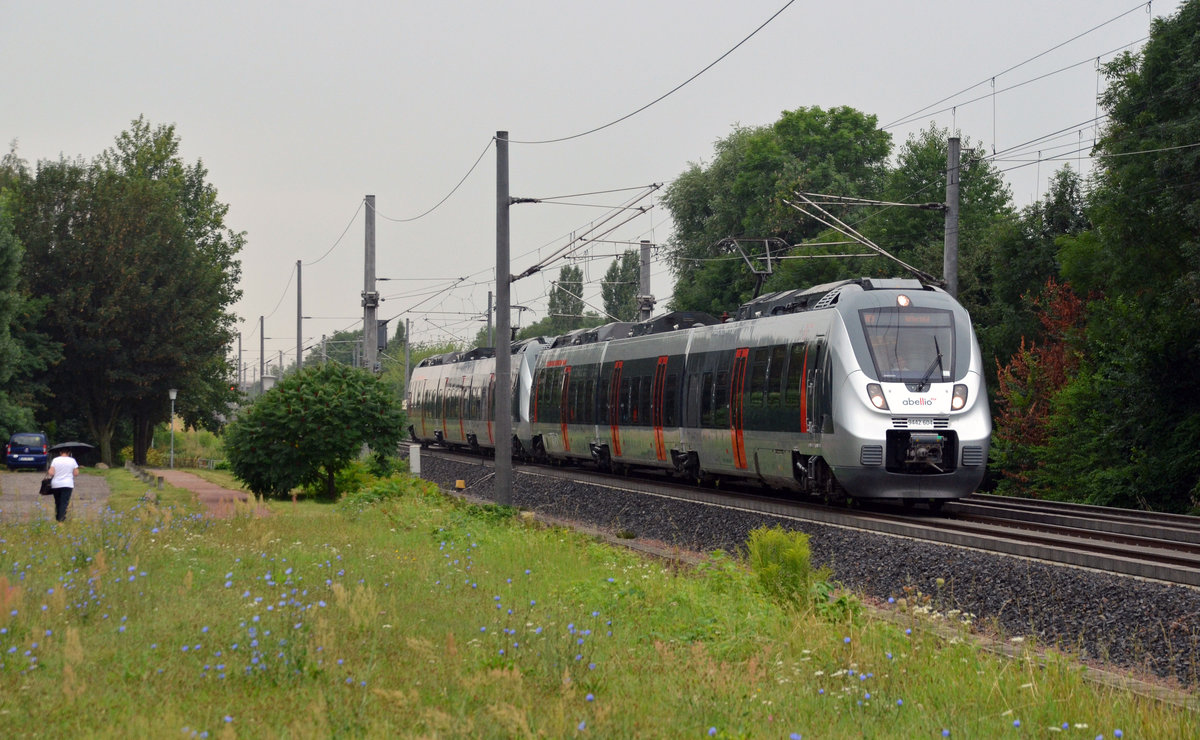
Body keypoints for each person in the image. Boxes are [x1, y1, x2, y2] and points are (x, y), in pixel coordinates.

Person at [45, 448, 79, 522]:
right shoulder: (72, 460)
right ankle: (61, 520)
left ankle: (58, 518)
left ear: (60, 452)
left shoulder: (55, 460)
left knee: (58, 502)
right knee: (64, 502)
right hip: (67, 484)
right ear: (69, 452)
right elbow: (76, 473)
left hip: (56, 484)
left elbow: (51, 473)